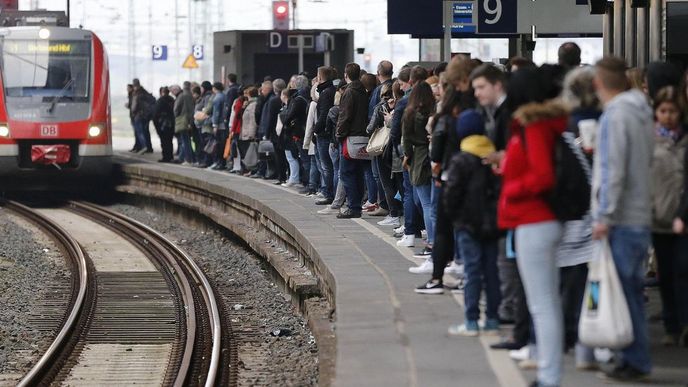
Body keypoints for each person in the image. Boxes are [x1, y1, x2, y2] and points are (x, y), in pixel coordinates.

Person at [499, 67, 568, 387]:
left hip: (534, 219)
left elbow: (542, 176)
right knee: (546, 301)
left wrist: (511, 187)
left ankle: (549, 376)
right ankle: (547, 371)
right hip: (539, 221)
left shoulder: (534, 127)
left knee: (543, 303)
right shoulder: (544, 124)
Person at [591, 56, 654, 382]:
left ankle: (635, 359)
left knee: (624, 292)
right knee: (631, 291)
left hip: (622, 218)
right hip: (640, 213)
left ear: (598, 84)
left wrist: (605, 215)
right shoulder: (643, 113)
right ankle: (632, 355)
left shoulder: (615, 116)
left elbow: (612, 170)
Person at [444, 110, 501, 336]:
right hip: (493, 224)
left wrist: (455, 218)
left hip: (468, 224)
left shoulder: (460, 159)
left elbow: (451, 195)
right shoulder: (493, 155)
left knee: (472, 271)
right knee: (491, 271)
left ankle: (471, 320)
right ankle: (493, 318)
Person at [649, 86, 688, 347]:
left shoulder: (686, 139)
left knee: (683, 271)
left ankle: (684, 324)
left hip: (683, 217)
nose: (668, 116)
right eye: (663, 111)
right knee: (665, 274)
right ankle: (671, 325)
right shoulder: (650, 140)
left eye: (672, 111)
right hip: (658, 217)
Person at [402, 81, 436, 257]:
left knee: (426, 204)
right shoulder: (434, 112)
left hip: (419, 157)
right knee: (434, 204)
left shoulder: (410, 113)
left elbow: (406, 140)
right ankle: (435, 240)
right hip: (435, 156)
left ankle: (431, 242)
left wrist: (406, 157)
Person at [335, 63, 370, 218]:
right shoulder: (363, 91)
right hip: (362, 135)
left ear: (346, 75)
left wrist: (339, 134)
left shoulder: (349, 92)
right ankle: (357, 206)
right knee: (358, 173)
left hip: (350, 137)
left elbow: (345, 115)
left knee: (346, 173)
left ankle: (353, 207)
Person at [314, 66, 337, 205]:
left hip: (324, 134)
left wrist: (317, 129)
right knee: (328, 166)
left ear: (321, 77)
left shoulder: (326, 93)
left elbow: (323, 114)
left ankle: (329, 194)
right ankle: (328, 192)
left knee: (327, 166)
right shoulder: (329, 91)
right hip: (326, 132)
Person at [266, 79, 289, 184]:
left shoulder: (273, 100)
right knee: (287, 155)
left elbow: (270, 118)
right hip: (286, 130)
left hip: (276, 131)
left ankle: (281, 176)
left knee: (279, 155)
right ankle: (288, 175)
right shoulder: (288, 97)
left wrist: (267, 133)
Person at [173, 82, 195, 165]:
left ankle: (188, 159)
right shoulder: (191, 95)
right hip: (190, 121)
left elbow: (176, 109)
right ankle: (188, 158)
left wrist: (177, 116)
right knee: (188, 141)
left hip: (182, 121)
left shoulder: (181, 96)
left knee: (185, 141)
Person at [131, 79, 154, 154]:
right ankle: (148, 147)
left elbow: (134, 106)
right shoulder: (145, 92)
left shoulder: (137, 94)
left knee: (140, 132)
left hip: (138, 115)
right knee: (145, 131)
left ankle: (144, 146)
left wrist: (132, 111)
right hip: (146, 116)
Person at [153, 86, 175, 162]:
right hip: (172, 123)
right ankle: (170, 156)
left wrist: (156, 125)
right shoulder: (172, 100)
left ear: (161, 92)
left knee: (164, 142)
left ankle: (166, 157)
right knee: (170, 141)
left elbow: (155, 114)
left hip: (163, 124)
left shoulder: (160, 101)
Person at [209, 82, 228, 170]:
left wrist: (215, 124)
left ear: (214, 88)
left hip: (219, 124)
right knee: (223, 144)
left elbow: (216, 112)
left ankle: (219, 162)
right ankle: (222, 162)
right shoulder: (224, 96)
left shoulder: (217, 98)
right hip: (224, 124)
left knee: (218, 144)